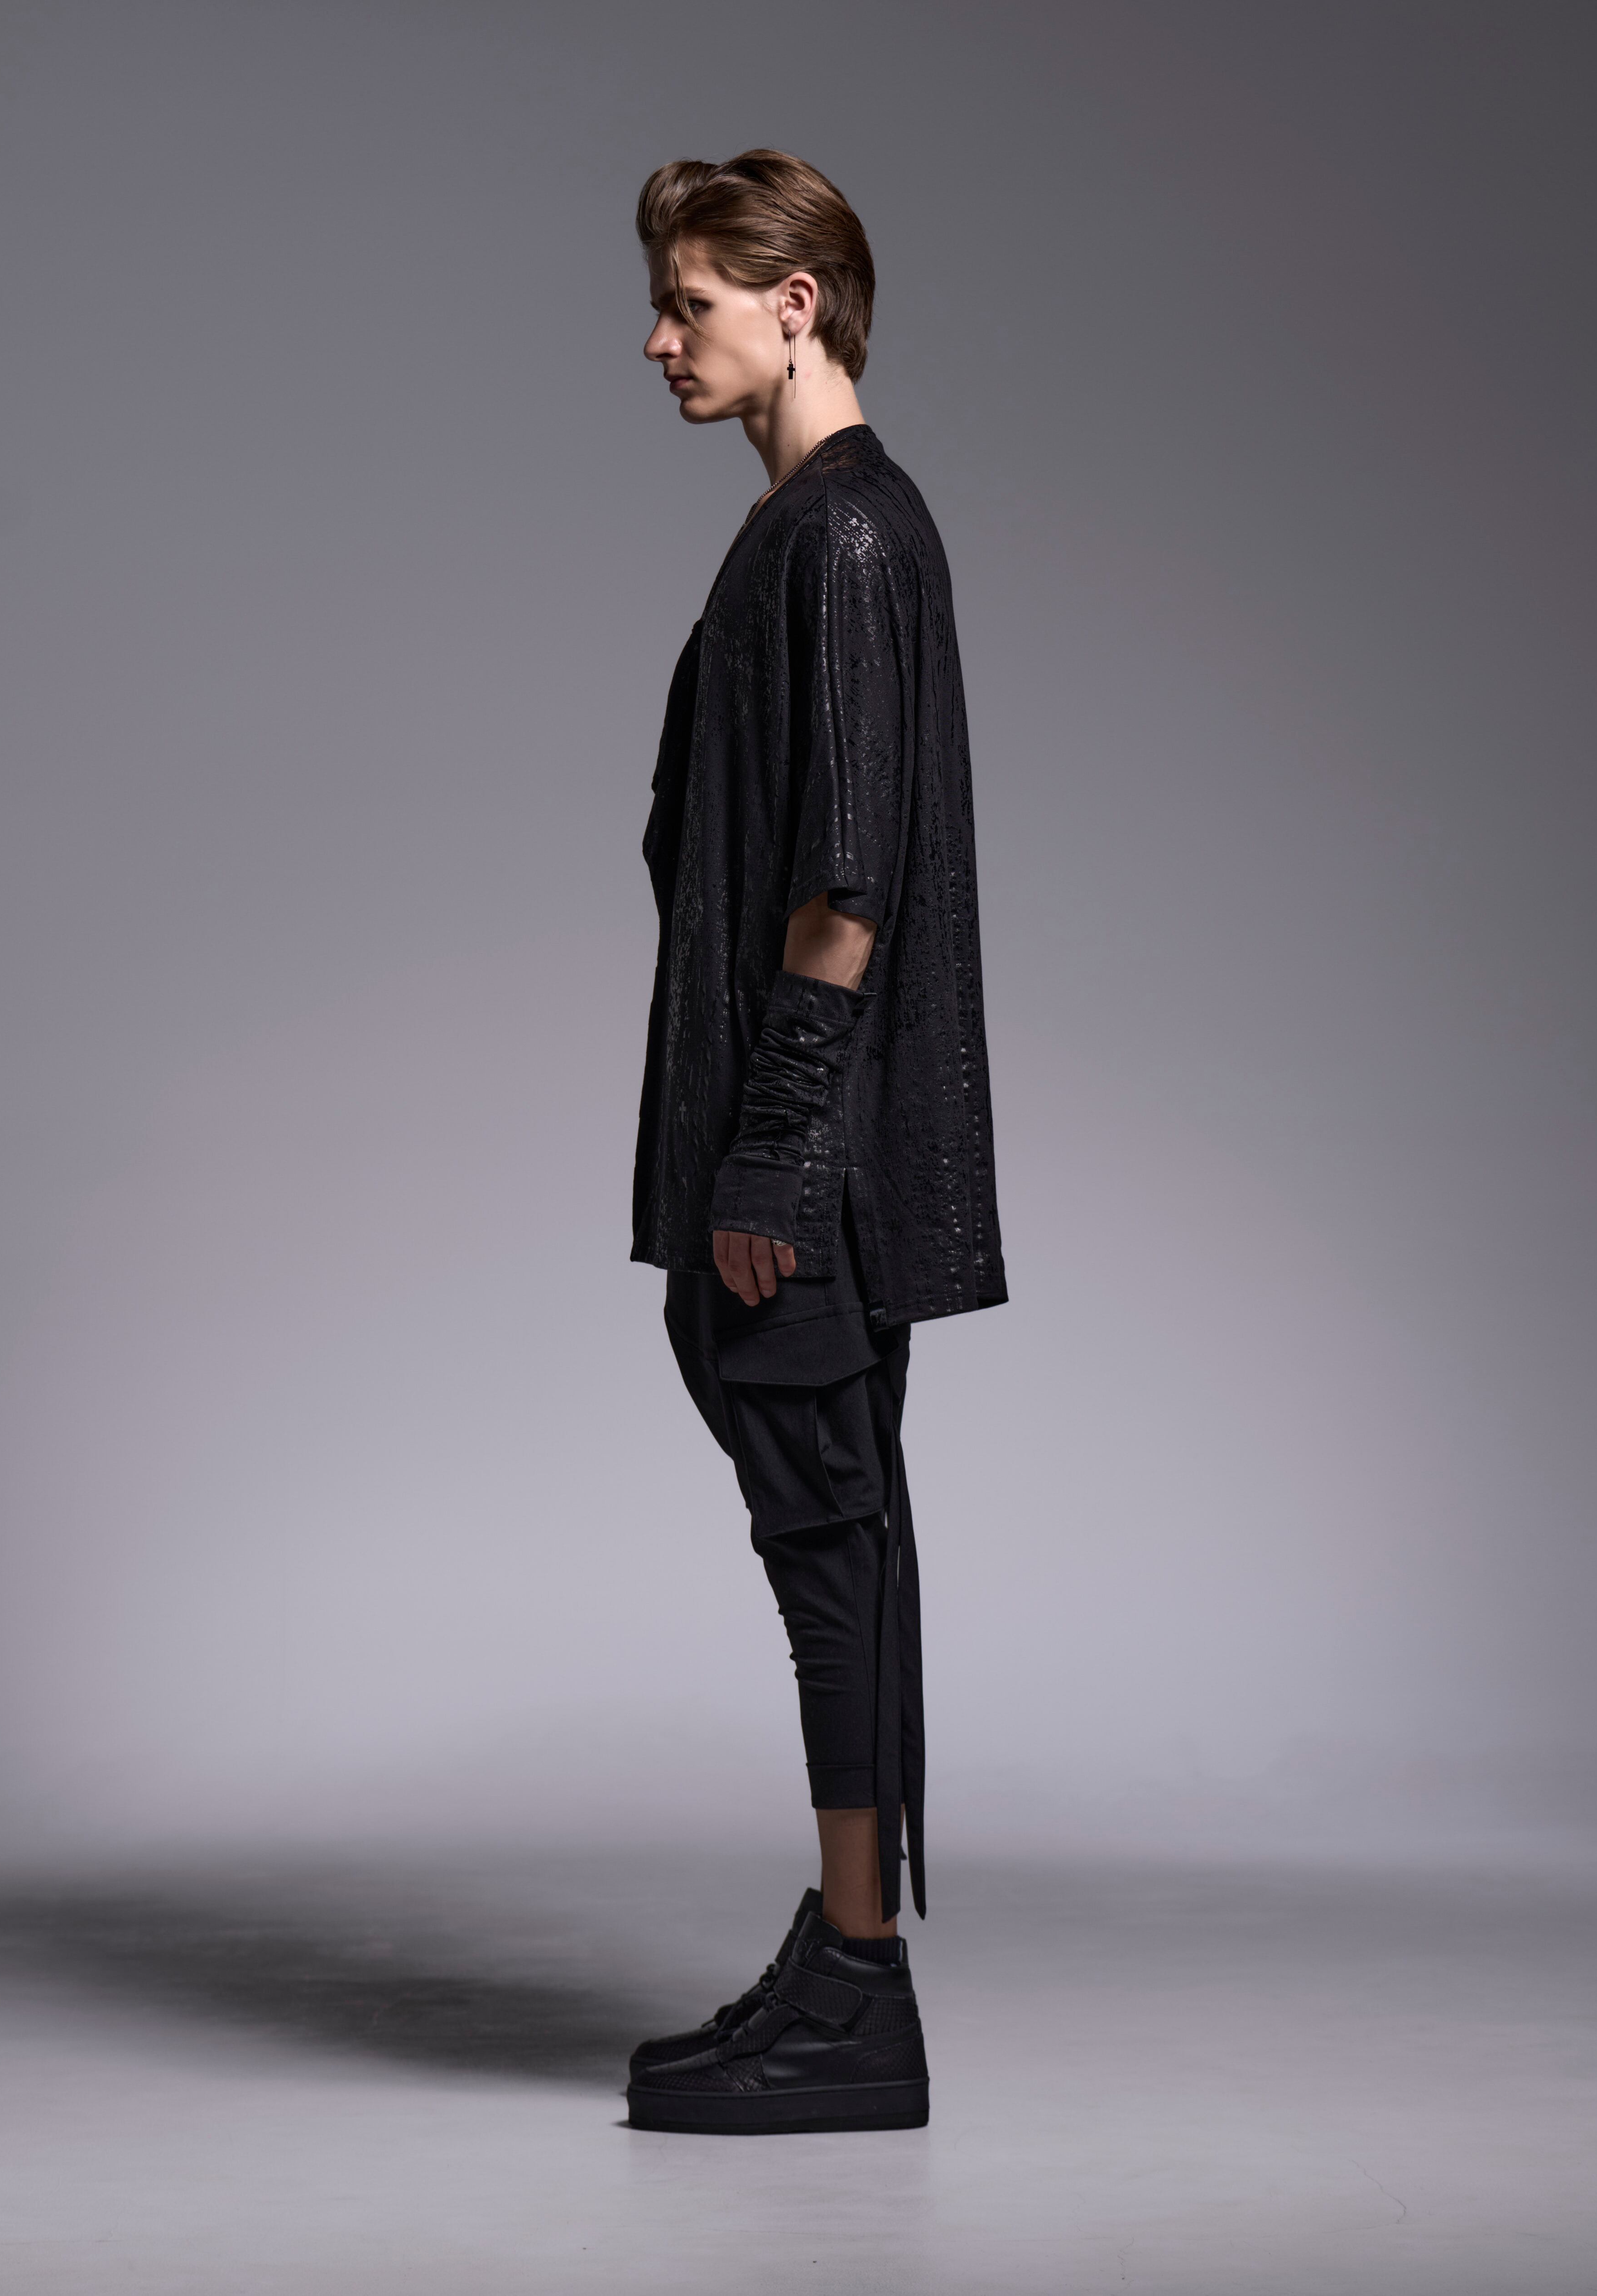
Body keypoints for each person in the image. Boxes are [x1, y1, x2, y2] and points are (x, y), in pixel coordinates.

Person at [622, 149, 1005, 2137]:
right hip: (792, 1141)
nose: (657, 338)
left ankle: (859, 1986)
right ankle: (846, 1949)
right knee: (827, 1529)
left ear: (799, 304)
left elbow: (845, 887)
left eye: (691, 300)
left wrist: (772, 1155)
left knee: (829, 1541)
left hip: (810, 1161)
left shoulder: (844, 537)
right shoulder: (810, 531)